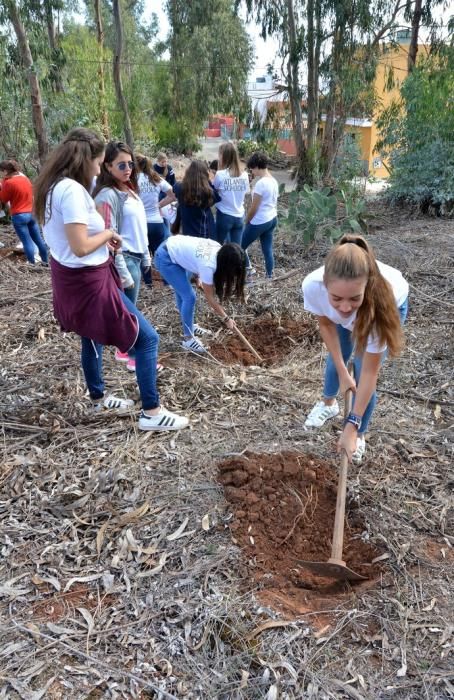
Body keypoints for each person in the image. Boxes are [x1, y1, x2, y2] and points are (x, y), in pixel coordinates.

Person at [34, 127, 188, 432]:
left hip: (71, 280)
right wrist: (108, 234)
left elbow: (67, 244)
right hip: (89, 282)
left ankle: (98, 397)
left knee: (90, 337)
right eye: (99, 161)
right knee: (146, 340)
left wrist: (103, 241)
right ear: (88, 160)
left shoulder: (53, 187)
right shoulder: (74, 192)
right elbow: (79, 246)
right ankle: (152, 412)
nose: (98, 168)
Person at [302, 234, 409, 464]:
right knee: (337, 358)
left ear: (367, 287)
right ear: (325, 284)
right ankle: (329, 405)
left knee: (361, 375)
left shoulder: (382, 303)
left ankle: (359, 435)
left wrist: (351, 425)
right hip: (353, 308)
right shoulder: (313, 286)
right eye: (336, 298)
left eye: (354, 298)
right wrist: (342, 371)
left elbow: (371, 373)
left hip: (379, 310)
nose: (345, 307)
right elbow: (326, 323)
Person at [93, 141, 151, 371]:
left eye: (130, 164)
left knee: (130, 310)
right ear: (107, 167)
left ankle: (125, 350)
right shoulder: (108, 195)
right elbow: (107, 234)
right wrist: (122, 268)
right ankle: (132, 355)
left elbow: (140, 226)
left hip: (136, 256)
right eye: (121, 165)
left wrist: (146, 253)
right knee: (128, 313)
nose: (128, 169)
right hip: (125, 259)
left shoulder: (129, 190)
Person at [154, 235, 246, 353]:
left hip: (174, 249)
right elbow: (210, 298)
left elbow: (195, 255)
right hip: (165, 257)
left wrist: (197, 276)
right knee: (189, 297)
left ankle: (190, 326)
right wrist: (226, 319)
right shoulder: (208, 265)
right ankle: (188, 339)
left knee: (183, 293)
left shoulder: (219, 250)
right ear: (225, 264)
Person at [0, 159, 48, 265]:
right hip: (31, 213)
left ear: (5, 171)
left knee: (27, 242)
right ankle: (45, 261)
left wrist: (2, 184)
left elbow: (3, 199)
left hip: (19, 215)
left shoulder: (8, 183)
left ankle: (32, 264)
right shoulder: (25, 179)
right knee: (38, 240)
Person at [241, 151, 278, 279]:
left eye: (252, 168)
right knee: (267, 249)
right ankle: (269, 276)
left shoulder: (261, 184)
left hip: (259, 221)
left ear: (257, 166)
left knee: (240, 247)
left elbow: (254, 207)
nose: (252, 170)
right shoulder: (273, 181)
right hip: (272, 218)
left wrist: (246, 221)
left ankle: (243, 274)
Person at [136, 153, 175, 256]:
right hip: (157, 222)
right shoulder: (155, 178)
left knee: (144, 259)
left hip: (140, 223)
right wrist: (159, 205)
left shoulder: (133, 180)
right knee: (159, 257)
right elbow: (173, 195)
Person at [213, 143, 249, 246]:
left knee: (216, 246)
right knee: (237, 250)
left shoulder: (220, 174)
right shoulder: (245, 175)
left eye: (219, 154)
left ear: (223, 156)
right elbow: (246, 193)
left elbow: (214, 191)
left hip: (224, 215)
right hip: (239, 216)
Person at [173, 160, 220, 240]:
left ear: (188, 173)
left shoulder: (179, 187)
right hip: (205, 233)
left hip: (188, 234)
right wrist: (208, 181)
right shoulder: (208, 192)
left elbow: (175, 189)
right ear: (205, 174)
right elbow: (216, 198)